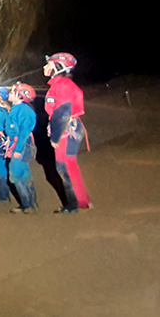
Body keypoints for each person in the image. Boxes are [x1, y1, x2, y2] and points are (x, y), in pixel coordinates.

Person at [44, 52, 91, 213]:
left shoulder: (62, 84)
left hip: (67, 129)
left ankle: (74, 204)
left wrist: (55, 136)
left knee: (63, 166)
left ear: (58, 66)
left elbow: (63, 111)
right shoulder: (61, 84)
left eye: (49, 63)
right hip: (70, 127)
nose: (45, 67)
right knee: (69, 165)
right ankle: (82, 202)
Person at [5, 82, 38, 214]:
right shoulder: (18, 109)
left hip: (22, 144)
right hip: (20, 143)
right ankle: (32, 204)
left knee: (16, 175)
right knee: (24, 174)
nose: (9, 94)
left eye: (13, 92)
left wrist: (18, 149)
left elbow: (24, 132)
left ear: (20, 96)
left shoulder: (24, 111)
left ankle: (27, 205)